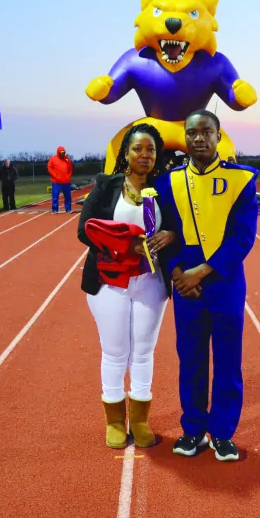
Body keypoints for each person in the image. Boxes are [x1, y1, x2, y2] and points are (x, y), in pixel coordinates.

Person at [155, 109, 259, 462]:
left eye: (206, 132)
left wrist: (200, 272)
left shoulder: (241, 180)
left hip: (224, 282)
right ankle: (193, 429)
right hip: (186, 285)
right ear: (185, 137)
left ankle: (223, 433)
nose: (198, 138)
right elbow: (165, 233)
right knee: (191, 360)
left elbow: (243, 237)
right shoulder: (168, 182)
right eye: (192, 132)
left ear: (218, 136)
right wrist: (176, 273)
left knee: (228, 361)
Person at [78, 123, 179, 449]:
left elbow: (179, 226)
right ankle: (114, 422)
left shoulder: (165, 188)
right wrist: (127, 245)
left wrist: (171, 234)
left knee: (144, 351)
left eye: (151, 150)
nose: (145, 155)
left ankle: (139, 420)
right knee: (115, 351)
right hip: (110, 281)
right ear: (126, 152)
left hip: (150, 280)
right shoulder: (106, 185)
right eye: (138, 148)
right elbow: (84, 230)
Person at [48, 146, 73, 214]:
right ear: (58, 152)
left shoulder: (67, 159)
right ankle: (55, 209)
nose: (63, 154)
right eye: (61, 152)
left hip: (66, 181)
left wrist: (68, 176)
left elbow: (70, 168)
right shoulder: (53, 159)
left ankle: (68, 209)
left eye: (64, 152)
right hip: (56, 181)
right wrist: (55, 176)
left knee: (68, 196)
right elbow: (49, 168)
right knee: (55, 196)